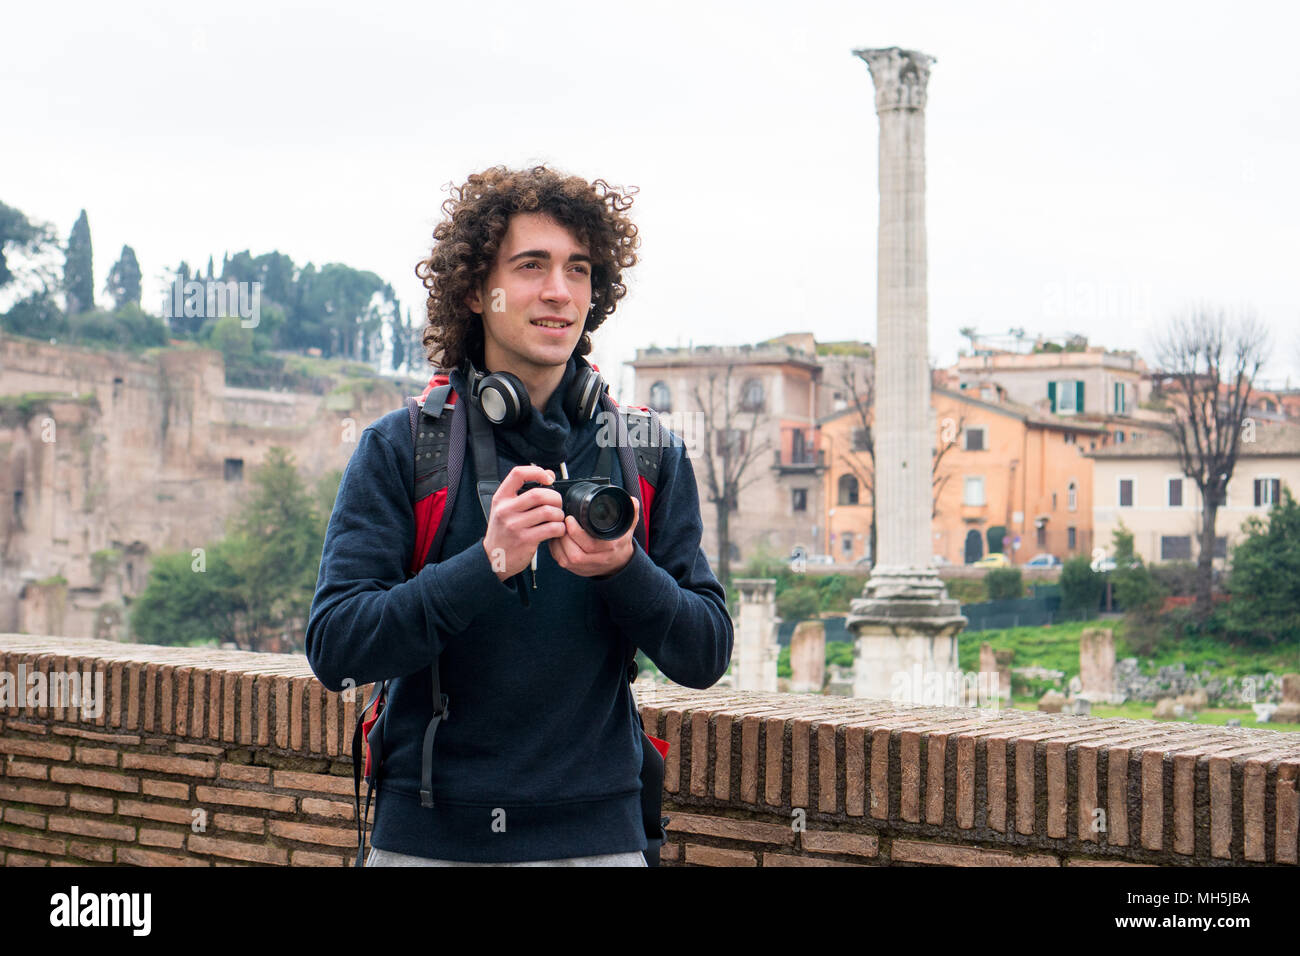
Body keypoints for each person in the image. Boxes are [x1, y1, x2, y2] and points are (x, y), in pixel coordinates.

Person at [304, 164, 734, 865]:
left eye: (579, 269)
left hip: (601, 839)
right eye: (531, 266)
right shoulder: (405, 447)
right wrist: (485, 566)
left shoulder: (646, 451)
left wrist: (625, 570)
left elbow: (706, 652)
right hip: (429, 842)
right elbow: (337, 648)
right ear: (476, 289)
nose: (559, 292)